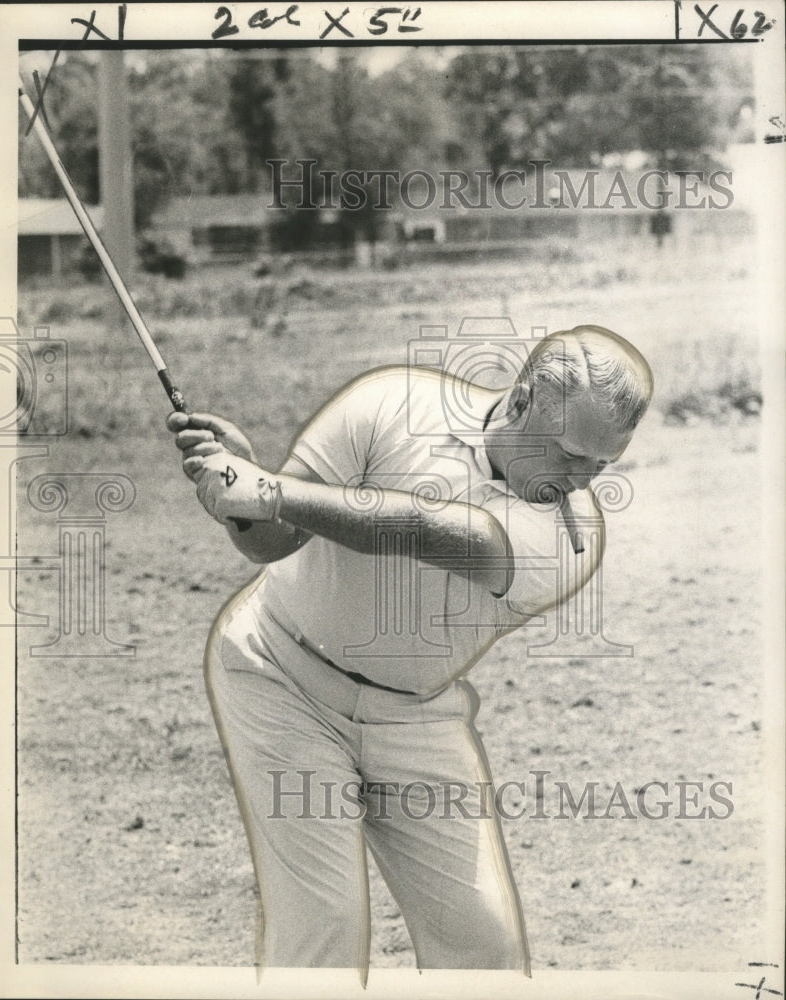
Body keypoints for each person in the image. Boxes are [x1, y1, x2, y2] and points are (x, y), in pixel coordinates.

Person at [166, 325, 653, 983]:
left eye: (602, 463)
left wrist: (265, 487)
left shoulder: (571, 537)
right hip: (276, 675)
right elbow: (270, 544)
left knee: (484, 943)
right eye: (570, 454)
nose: (581, 479)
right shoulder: (389, 403)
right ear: (522, 399)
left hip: (415, 717)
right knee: (323, 926)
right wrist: (240, 498)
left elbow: (421, 531)